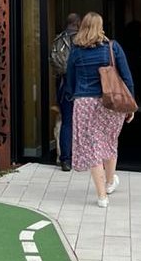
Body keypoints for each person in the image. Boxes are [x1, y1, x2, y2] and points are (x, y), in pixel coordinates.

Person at [64, 11, 135, 207]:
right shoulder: (112, 47)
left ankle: (102, 196)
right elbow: (127, 78)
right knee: (110, 141)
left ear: (83, 27)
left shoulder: (76, 51)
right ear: (100, 26)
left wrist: (71, 96)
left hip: (84, 103)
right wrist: (130, 107)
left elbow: (69, 81)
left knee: (93, 148)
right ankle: (110, 182)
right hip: (110, 103)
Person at [50, 12, 81, 171]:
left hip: (63, 84)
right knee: (84, 122)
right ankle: (82, 157)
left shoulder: (57, 40)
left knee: (67, 122)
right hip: (81, 85)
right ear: (78, 23)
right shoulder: (82, 39)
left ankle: (65, 160)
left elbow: (53, 64)